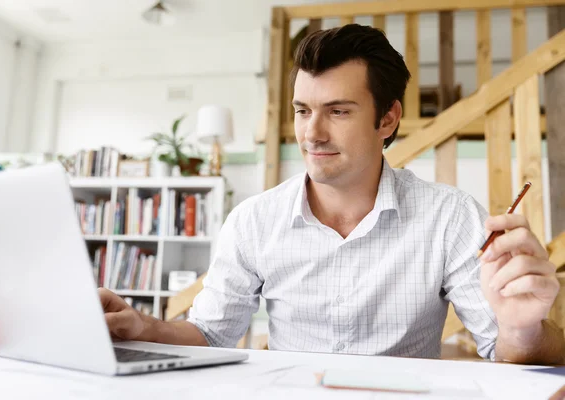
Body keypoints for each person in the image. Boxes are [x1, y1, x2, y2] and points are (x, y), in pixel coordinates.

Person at [99, 24, 564, 364]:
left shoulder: (450, 217)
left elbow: (504, 353)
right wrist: (145, 327)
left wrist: (522, 329)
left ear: (387, 119)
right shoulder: (252, 220)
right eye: (303, 110)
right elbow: (210, 334)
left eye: (337, 111)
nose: (311, 133)